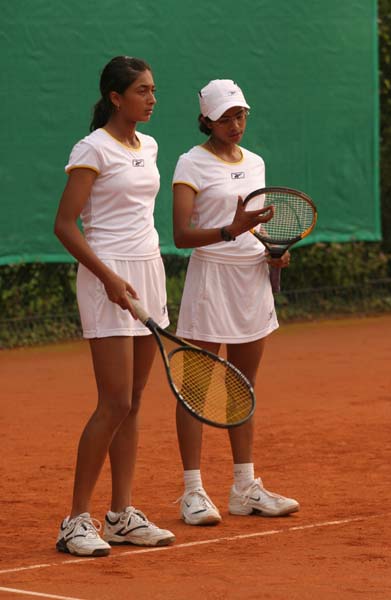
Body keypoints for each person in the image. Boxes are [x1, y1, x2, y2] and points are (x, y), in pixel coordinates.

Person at [54, 56, 175, 556]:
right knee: (115, 402)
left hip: (148, 271)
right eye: (142, 90)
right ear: (115, 97)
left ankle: (122, 514)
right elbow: (65, 225)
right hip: (107, 276)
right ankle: (75, 522)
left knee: (136, 400)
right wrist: (107, 277)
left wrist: (139, 276)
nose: (152, 98)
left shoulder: (150, 145)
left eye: (153, 89)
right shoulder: (92, 149)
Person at [172, 79, 300, 525]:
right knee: (195, 389)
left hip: (251, 281)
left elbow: (257, 229)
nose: (234, 124)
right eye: (224, 117)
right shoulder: (191, 162)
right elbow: (181, 235)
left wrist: (274, 253)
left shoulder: (256, 162)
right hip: (211, 279)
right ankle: (192, 491)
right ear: (205, 120)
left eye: (240, 115)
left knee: (242, 386)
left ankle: (244, 488)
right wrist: (232, 229)